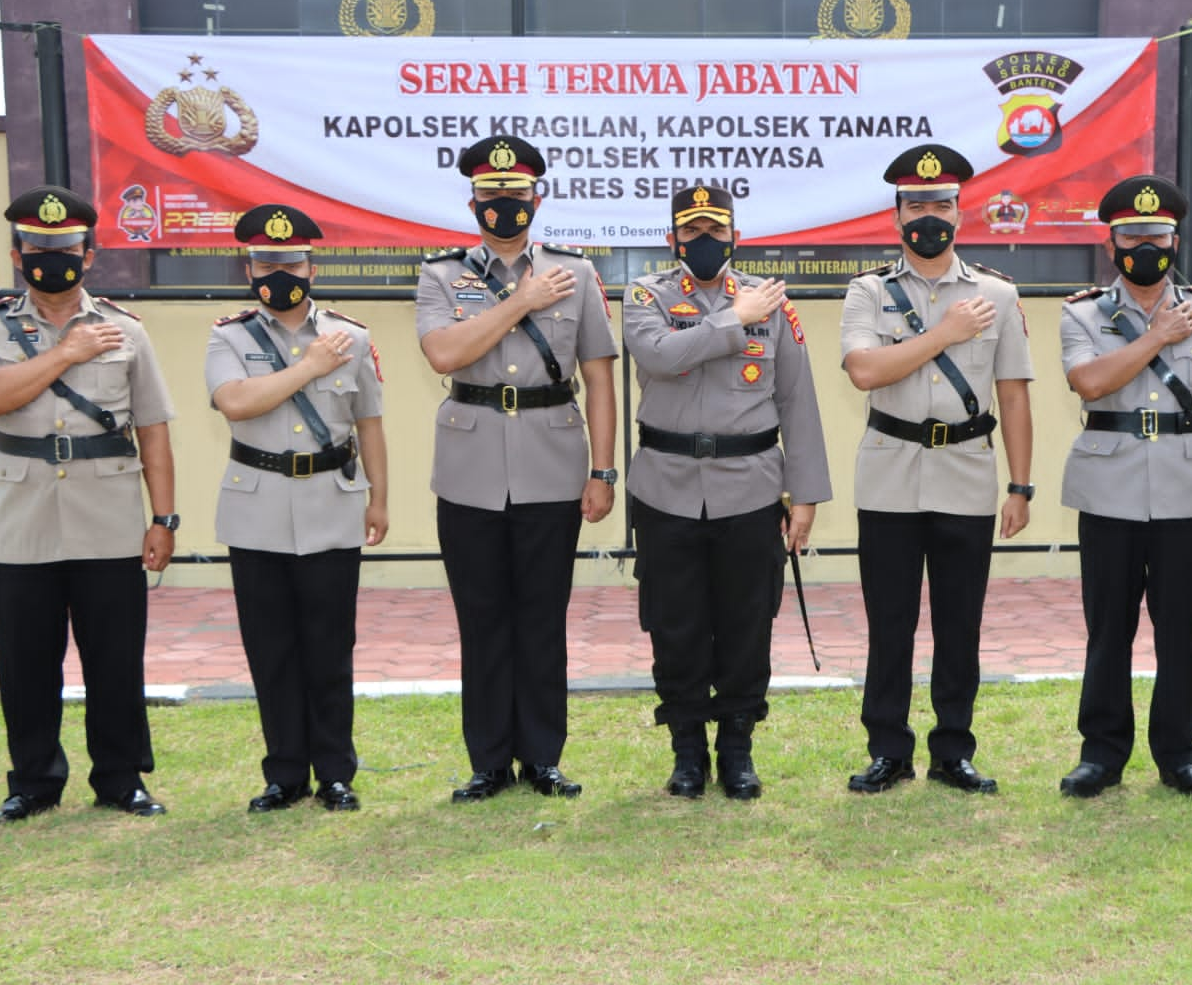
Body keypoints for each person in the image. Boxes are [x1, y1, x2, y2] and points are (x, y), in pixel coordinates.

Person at [0, 185, 177, 823]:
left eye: (66, 249)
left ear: (89, 254)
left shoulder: (126, 329)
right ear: (16, 253)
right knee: (25, 662)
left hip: (108, 516)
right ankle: (33, 782)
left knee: (115, 657)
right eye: (38, 249)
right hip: (22, 520)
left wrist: (163, 518)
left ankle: (120, 779)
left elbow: (154, 429)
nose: (51, 259)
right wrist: (65, 353)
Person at [415, 135, 618, 802]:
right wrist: (521, 303)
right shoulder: (442, 276)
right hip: (470, 465)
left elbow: (598, 376)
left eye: (517, 193)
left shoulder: (577, 273)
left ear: (539, 197)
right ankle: (489, 761)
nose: (504, 204)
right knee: (482, 616)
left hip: (552, 461)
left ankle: (543, 756)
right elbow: (444, 355)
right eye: (491, 194)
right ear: (472, 199)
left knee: (541, 614)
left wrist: (604, 470)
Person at [622, 185, 832, 799]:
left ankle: (737, 748)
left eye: (716, 230)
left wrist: (807, 494)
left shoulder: (772, 303)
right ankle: (688, 752)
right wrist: (733, 320)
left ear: (736, 235)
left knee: (746, 625)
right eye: (692, 232)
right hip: (666, 488)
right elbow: (658, 356)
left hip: (751, 489)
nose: (705, 242)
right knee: (675, 624)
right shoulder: (647, 296)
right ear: (673, 240)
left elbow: (798, 402)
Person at [840, 144, 1035, 796]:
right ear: (896, 216)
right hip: (889, 476)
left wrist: (1021, 484)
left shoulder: (998, 294)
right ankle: (888, 750)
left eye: (942, 203)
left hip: (967, 475)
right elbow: (865, 370)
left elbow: (1014, 393)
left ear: (961, 210)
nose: (931, 215)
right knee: (889, 624)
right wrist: (945, 333)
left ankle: (954, 750)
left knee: (960, 624)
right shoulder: (869, 291)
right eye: (917, 204)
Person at [1055, 175, 1192, 801]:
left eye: (1157, 235)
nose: (1146, 245)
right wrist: (1157, 336)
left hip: (1186, 489)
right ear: (1110, 241)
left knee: (1180, 627)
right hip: (1108, 488)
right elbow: (1089, 384)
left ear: (1175, 238)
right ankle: (1102, 754)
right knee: (1108, 627)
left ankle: (1179, 753)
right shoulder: (1081, 311)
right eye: (1132, 235)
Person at [205, 203, 390, 814]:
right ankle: (284, 774)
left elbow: (370, 424)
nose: (278, 271)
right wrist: (309, 367)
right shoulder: (228, 336)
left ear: (312, 264)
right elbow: (235, 402)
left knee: (330, 648)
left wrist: (379, 498)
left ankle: (336, 772)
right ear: (247, 266)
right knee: (272, 650)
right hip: (255, 511)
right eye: (265, 261)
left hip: (331, 506)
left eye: (290, 261)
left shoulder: (352, 336)